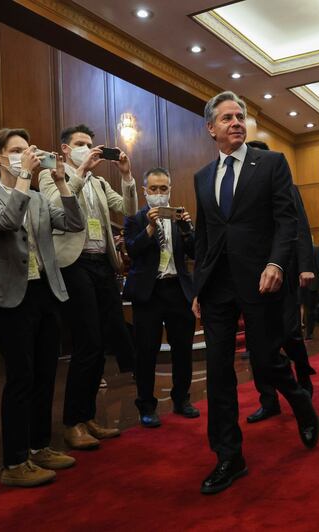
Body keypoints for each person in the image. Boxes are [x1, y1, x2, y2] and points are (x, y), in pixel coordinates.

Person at [192, 91, 319, 495]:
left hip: (262, 279)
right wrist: (198, 288)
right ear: (211, 128)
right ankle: (229, 456)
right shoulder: (201, 177)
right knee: (218, 371)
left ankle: (299, 398)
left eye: (240, 116)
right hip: (216, 288)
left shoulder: (271, 164)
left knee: (265, 361)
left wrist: (278, 263)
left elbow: (287, 220)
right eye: (226, 117)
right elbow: (204, 236)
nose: (235, 122)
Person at [0, 128, 84, 487]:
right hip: (10, 299)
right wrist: (21, 178)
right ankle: (14, 462)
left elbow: (74, 222)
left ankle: (40, 446)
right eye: (17, 150)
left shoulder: (37, 196)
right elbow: (5, 222)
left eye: (28, 149)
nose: (26, 155)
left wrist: (63, 183)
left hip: (44, 292)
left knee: (46, 374)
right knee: (21, 378)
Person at [39, 124, 137, 450]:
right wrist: (79, 171)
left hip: (101, 264)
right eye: (80, 143)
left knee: (103, 342)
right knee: (87, 342)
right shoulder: (50, 174)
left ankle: (88, 416)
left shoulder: (99, 181)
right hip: (74, 263)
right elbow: (55, 206)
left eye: (90, 144)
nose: (88, 147)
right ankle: (71, 423)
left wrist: (126, 175)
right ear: (65, 149)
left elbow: (129, 210)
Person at [244, 139, 317, 422]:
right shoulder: (240, 190)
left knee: (289, 334)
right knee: (257, 342)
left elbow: (299, 225)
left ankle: (304, 380)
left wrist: (305, 266)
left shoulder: (287, 186)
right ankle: (269, 399)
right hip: (250, 275)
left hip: (283, 270)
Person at [123, 167, 199, 428]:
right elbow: (132, 250)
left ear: (170, 190)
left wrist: (187, 228)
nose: (158, 194)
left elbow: (195, 251)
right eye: (153, 189)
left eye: (163, 188)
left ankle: (182, 399)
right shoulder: (135, 219)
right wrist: (150, 227)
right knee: (146, 352)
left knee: (182, 350)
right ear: (144, 191)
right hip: (149, 293)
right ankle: (146, 405)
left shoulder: (180, 217)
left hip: (178, 291)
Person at [302, 241, 319, 340]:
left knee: (310, 310)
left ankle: (309, 333)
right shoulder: (296, 250)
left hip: (312, 285)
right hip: (299, 286)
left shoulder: (316, 249)